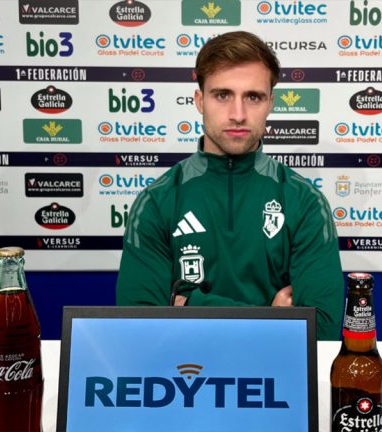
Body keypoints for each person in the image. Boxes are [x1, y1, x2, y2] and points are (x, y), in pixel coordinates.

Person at [115, 31, 343, 340]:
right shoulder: (157, 202)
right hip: (183, 377)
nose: (238, 114)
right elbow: (138, 329)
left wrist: (190, 302)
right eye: (222, 95)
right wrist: (272, 320)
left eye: (253, 97)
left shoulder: (305, 202)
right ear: (199, 101)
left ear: (271, 103)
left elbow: (324, 331)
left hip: (275, 380)